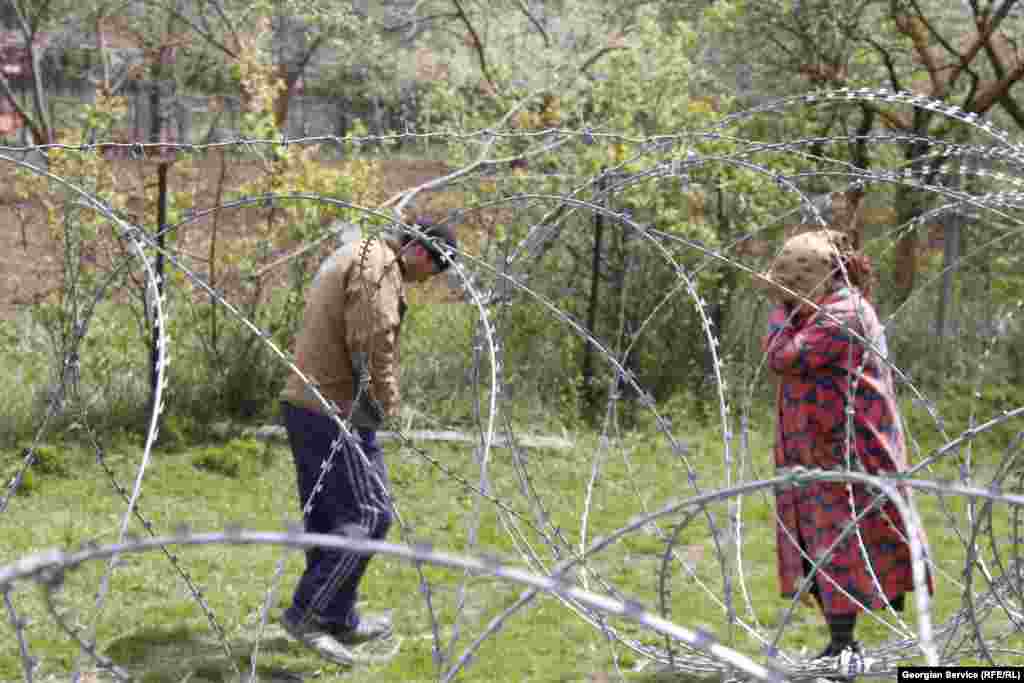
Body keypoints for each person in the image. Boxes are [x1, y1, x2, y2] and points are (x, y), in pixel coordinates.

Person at [277, 219, 457, 664]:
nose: (430, 278)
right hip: (334, 408)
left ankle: (336, 615)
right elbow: (372, 345)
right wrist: (386, 404)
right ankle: (308, 614)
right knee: (369, 513)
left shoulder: (366, 254)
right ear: (419, 250)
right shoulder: (378, 266)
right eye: (435, 268)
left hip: (317, 402)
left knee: (333, 518)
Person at [758, 229, 932, 675]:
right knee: (824, 545)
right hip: (818, 450)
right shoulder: (822, 310)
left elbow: (784, 357)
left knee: (842, 543)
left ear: (817, 283)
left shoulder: (846, 313)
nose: (785, 301)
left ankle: (843, 646)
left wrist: (782, 313)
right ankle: (841, 644)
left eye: (790, 292)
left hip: (848, 453)